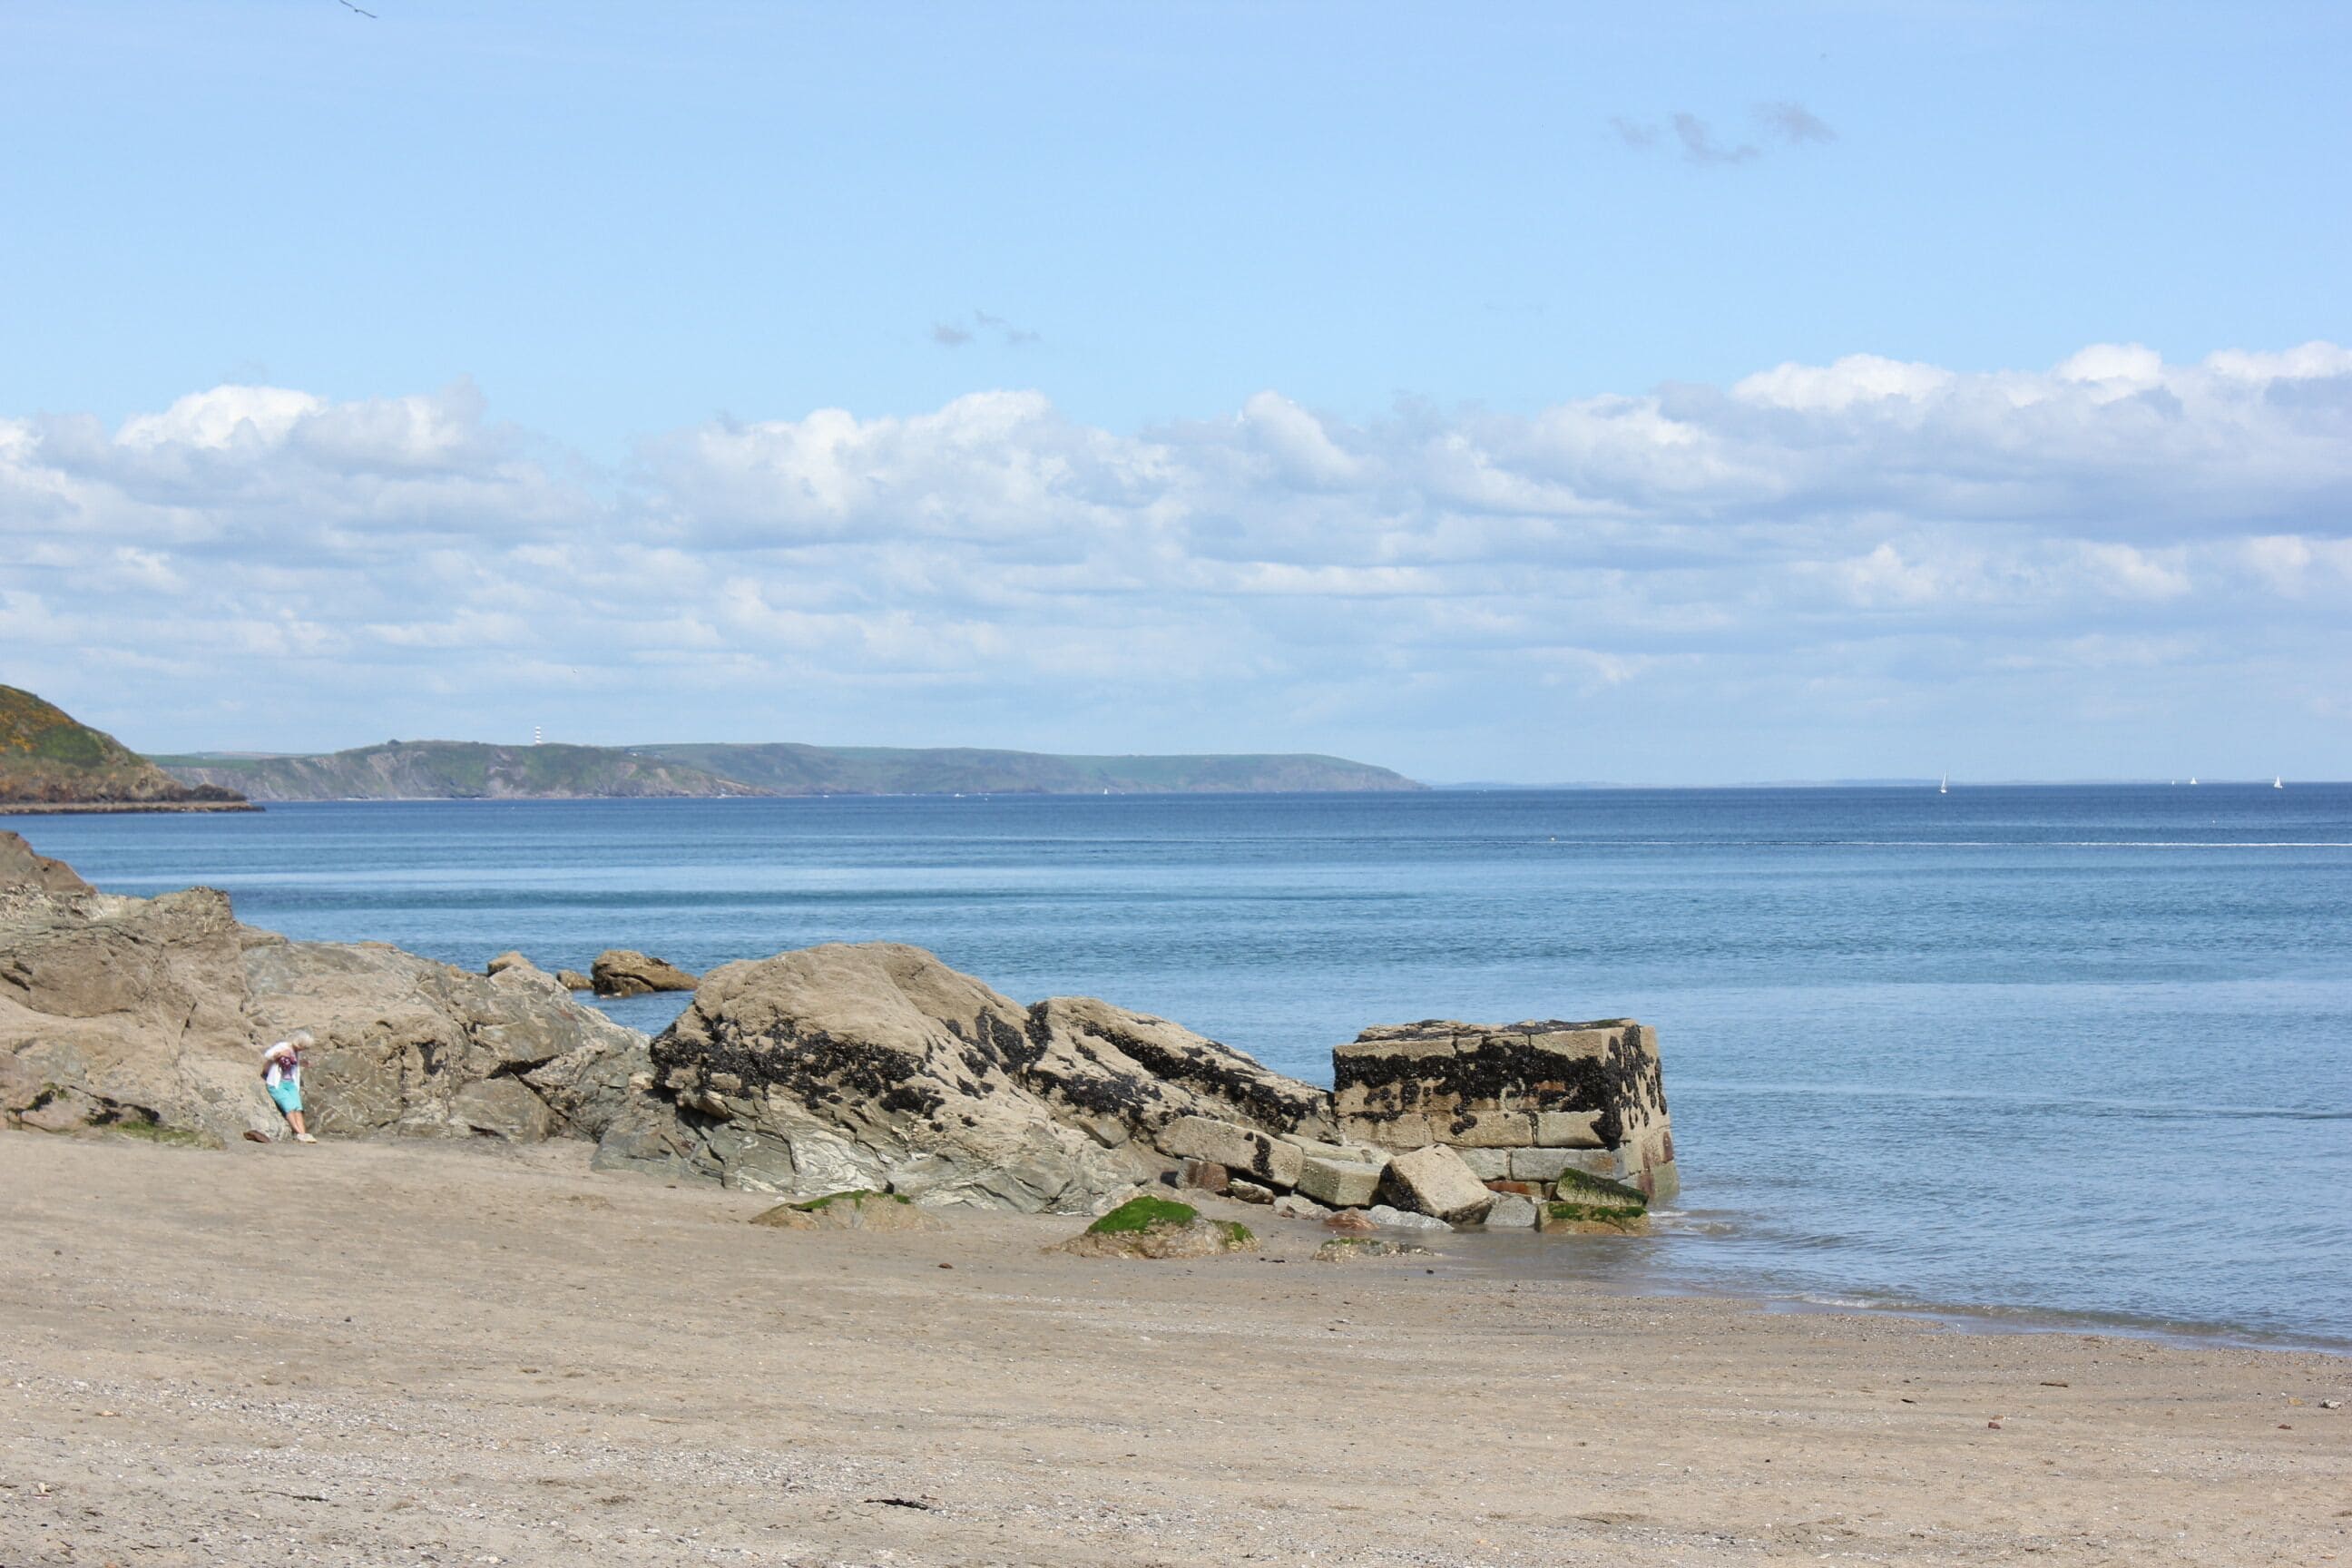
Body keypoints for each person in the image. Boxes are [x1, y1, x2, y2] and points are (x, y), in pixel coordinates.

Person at [260, 1030, 318, 1143]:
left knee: (298, 1108)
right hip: (278, 1083)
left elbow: (294, 1064)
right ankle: (298, 1133)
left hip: (291, 1083)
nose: (303, 1049)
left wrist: (302, 1063)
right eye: (304, 1047)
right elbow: (268, 1055)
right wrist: (280, 1054)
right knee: (289, 1108)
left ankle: (303, 1133)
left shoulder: (297, 1052)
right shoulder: (283, 1046)